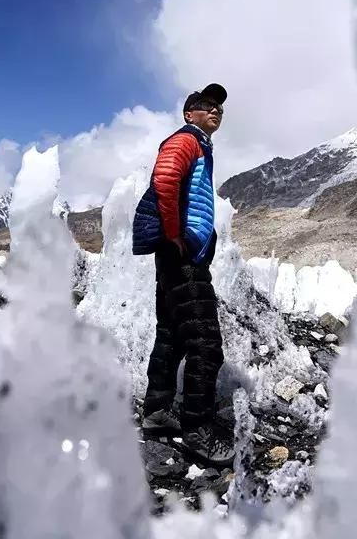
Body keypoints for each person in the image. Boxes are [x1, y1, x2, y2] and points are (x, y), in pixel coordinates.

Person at [132, 83, 234, 467]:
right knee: (207, 344)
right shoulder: (185, 140)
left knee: (172, 335)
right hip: (182, 254)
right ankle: (197, 431)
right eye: (206, 106)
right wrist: (175, 234)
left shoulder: (199, 144)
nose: (215, 111)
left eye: (219, 108)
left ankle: (158, 412)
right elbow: (166, 178)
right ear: (189, 113)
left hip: (181, 253)